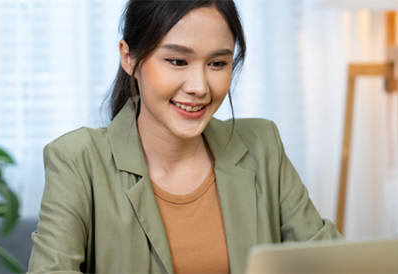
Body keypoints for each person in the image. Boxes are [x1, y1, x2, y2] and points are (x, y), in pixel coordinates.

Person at [27, 0, 343, 273]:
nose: (199, 87)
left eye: (217, 63)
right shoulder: (77, 159)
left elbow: (331, 263)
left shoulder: (262, 145)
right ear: (129, 58)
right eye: (178, 61)